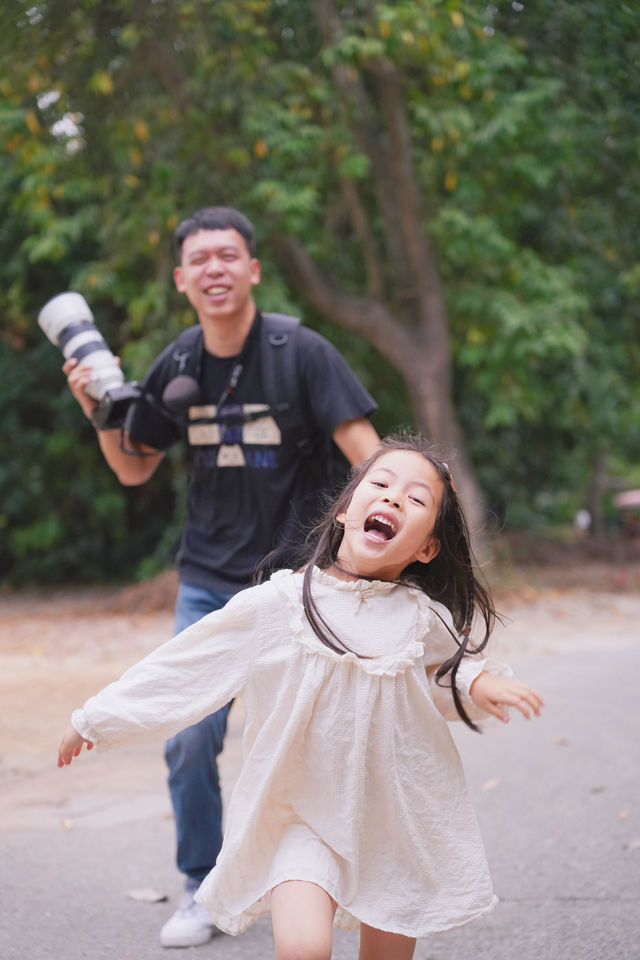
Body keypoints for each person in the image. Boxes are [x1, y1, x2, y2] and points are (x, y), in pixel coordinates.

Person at [58, 435, 544, 960]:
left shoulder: (424, 618)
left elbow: (442, 676)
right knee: (304, 948)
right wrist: (98, 718)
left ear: (427, 547)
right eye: (380, 485)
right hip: (301, 815)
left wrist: (479, 682)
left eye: (417, 499)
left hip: (394, 821)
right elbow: (189, 663)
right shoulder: (281, 604)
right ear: (344, 512)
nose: (394, 499)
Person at [62, 206, 380, 948]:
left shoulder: (299, 352)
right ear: (181, 279)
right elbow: (134, 467)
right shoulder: (177, 363)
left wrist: (372, 555)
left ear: (253, 269)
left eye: (228, 255)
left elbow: (367, 455)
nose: (214, 268)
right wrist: (97, 413)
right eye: (199, 259)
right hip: (208, 580)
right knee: (187, 738)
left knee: (309, 740)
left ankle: (321, 877)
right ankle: (202, 886)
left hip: (298, 584)